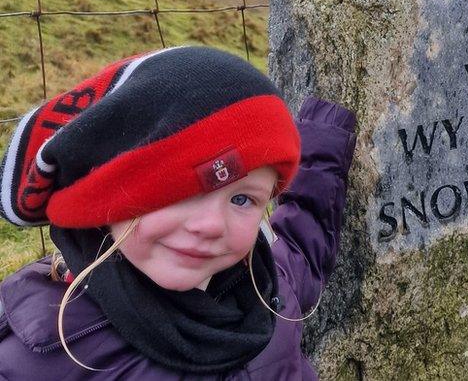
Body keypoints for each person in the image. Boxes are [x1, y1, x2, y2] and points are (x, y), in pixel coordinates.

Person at [0, 45, 357, 379]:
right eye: (182, 193)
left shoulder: (269, 287)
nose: (211, 225)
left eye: (242, 200)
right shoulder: (40, 353)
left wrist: (325, 137)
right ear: (105, 196)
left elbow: (304, 242)